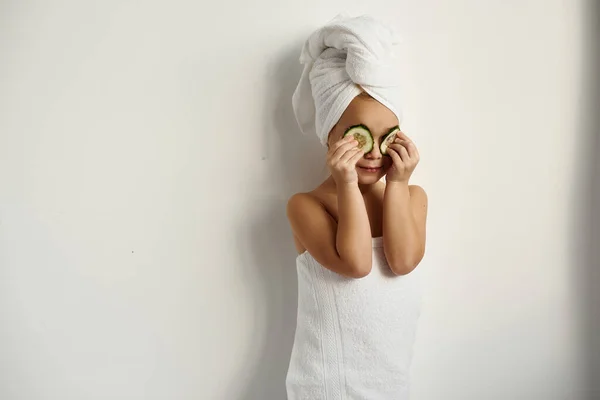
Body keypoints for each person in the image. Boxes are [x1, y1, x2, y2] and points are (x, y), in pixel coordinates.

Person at [285, 15, 428, 399]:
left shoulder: (412, 198)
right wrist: (346, 184)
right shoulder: (306, 205)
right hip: (327, 384)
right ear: (329, 136)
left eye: (388, 137)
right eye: (358, 136)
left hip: (391, 382)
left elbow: (402, 261)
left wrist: (398, 183)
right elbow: (357, 263)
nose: (375, 152)